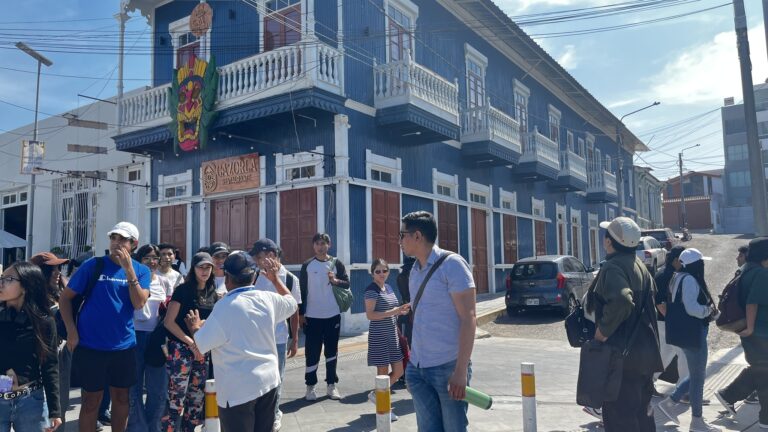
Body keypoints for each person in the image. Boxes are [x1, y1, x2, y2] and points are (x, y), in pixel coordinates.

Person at [184, 251, 298, 432]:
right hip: (268, 381)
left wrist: (195, 327)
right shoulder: (267, 298)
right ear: (254, 277)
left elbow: (201, 346)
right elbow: (291, 303)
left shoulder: (224, 307)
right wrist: (275, 279)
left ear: (227, 278)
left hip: (238, 390)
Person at [59, 221, 151, 432]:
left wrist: (129, 271)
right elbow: (65, 298)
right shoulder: (93, 265)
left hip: (124, 347)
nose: (116, 242)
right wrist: (72, 332)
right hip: (90, 346)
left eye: (123, 239)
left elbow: (139, 303)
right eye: (113, 237)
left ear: (134, 244)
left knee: (122, 398)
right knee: (91, 401)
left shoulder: (142, 271)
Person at [398, 211, 476, 432]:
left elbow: (469, 319)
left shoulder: (452, 265)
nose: (399, 241)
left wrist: (460, 371)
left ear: (417, 236)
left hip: (447, 367)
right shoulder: (414, 271)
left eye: (402, 235)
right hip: (418, 368)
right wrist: (411, 365)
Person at [587, 216, 662, 431]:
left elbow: (622, 300)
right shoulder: (639, 265)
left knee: (619, 417)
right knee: (642, 414)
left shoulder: (613, 267)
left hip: (621, 356)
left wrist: (602, 332)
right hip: (645, 353)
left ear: (608, 242)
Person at [657, 248, 720, 431]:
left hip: (684, 332)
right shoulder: (690, 280)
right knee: (698, 379)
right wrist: (708, 311)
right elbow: (692, 308)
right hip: (694, 333)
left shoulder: (677, 277)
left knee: (696, 374)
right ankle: (696, 421)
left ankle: (671, 402)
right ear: (696, 265)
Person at [0, 261, 61, 432]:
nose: (1, 283)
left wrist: (55, 410)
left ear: (26, 286)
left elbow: (50, 366)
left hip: (30, 402)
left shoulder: (44, 322)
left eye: (8, 279)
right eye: (1, 278)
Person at [248, 239, 301, 432]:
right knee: (257, 377)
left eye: (260, 257)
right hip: (255, 337)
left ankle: (274, 412)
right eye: (257, 258)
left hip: (278, 338)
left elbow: (294, 312)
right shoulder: (254, 276)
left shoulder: (290, 279)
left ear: (272, 255)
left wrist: (295, 339)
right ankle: (260, 412)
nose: (258, 261)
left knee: (277, 377)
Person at [161, 252, 218, 432]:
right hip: (181, 349)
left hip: (203, 350)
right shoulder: (183, 290)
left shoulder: (212, 292)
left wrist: (201, 335)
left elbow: (213, 322)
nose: (205, 271)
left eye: (208, 267)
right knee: (175, 398)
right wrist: (192, 344)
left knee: (196, 399)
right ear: (193, 268)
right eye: (201, 267)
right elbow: (168, 322)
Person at [716, 237, 768, 426]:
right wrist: (751, 327)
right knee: (764, 375)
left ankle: (728, 395)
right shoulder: (761, 273)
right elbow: (752, 302)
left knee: (760, 371)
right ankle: (765, 420)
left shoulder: (746, 270)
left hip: (754, 333)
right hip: (760, 333)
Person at [126, 244, 173, 432]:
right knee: (133, 387)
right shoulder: (131, 281)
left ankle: (154, 426)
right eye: (147, 258)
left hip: (157, 339)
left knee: (159, 389)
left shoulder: (164, 282)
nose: (152, 262)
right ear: (139, 260)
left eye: (155, 258)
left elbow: (169, 309)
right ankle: (137, 427)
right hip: (134, 336)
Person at [299, 233, 350, 401]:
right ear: (313, 246)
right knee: (312, 353)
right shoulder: (307, 265)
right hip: (312, 316)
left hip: (332, 315)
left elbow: (347, 284)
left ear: (329, 245)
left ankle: (331, 385)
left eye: (323, 243)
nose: (320, 247)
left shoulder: (336, 263)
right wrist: (301, 314)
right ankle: (310, 387)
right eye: (317, 243)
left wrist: (335, 281)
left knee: (331, 352)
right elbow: (301, 291)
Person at [364, 258, 409, 422]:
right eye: (378, 271)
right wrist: (394, 311)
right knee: (382, 374)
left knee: (399, 371)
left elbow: (392, 309)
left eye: (385, 270)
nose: (382, 274)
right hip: (379, 336)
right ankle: (384, 410)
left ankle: (377, 394)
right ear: (372, 273)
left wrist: (400, 311)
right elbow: (370, 315)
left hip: (392, 335)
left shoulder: (388, 287)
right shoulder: (371, 290)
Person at [30, 252, 72, 429]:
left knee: (60, 404)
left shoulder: (60, 293)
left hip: (61, 352)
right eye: (51, 269)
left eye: (58, 268)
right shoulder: (29, 298)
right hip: (38, 356)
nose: (57, 273)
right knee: (39, 408)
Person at [654, 246, 689, 394]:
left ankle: (647, 382)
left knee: (665, 353)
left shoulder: (664, 272)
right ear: (676, 260)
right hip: (667, 321)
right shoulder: (668, 275)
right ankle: (683, 391)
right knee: (684, 353)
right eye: (683, 260)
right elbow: (659, 302)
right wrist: (673, 321)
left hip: (662, 321)